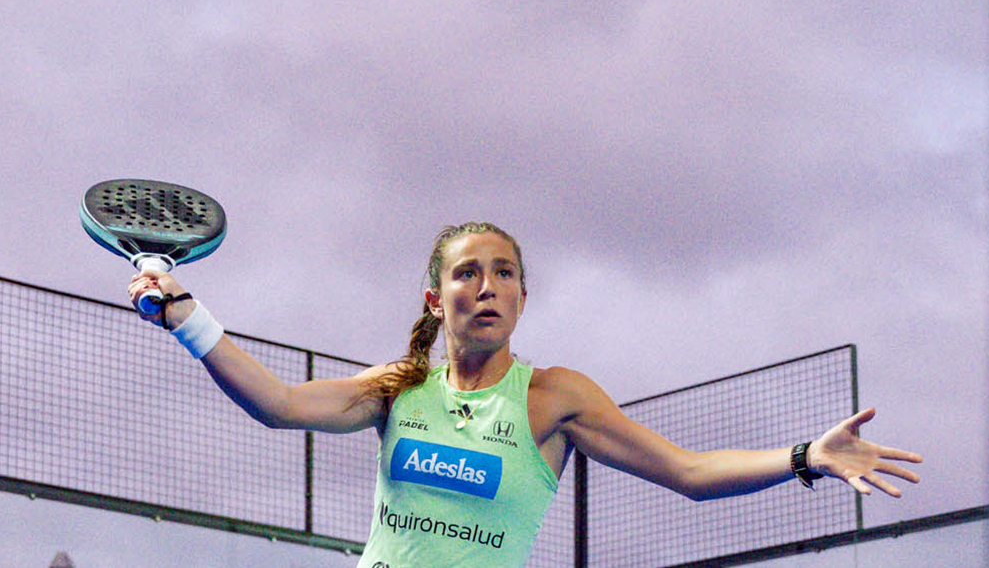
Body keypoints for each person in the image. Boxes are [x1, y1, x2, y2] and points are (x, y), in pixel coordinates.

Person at [128, 221, 922, 568]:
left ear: (522, 297)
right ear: (436, 298)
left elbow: (688, 472)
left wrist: (803, 456)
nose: (488, 285)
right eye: (467, 272)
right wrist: (188, 316)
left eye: (504, 272)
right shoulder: (399, 387)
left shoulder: (553, 399)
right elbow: (277, 404)